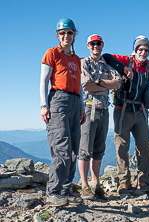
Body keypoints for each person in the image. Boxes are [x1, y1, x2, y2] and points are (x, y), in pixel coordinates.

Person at [103, 35, 149, 194]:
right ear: (135, 50)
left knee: (144, 147)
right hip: (123, 111)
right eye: (140, 49)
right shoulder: (126, 60)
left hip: (141, 112)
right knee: (122, 147)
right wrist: (123, 68)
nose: (144, 52)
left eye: (146, 50)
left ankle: (143, 181)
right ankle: (124, 182)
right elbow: (106, 56)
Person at [40, 18, 86, 207]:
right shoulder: (52, 53)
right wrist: (44, 105)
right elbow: (43, 80)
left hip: (75, 101)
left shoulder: (76, 59)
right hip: (58, 100)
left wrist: (82, 107)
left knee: (74, 148)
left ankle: (65, 190)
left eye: (69, 33)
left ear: (75, 35)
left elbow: (80, 87)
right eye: (62, 33)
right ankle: (53, 192)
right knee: (61, 147)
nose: (66, 36)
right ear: (58, 36)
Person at [78, 34, 127, 200]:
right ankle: (84, 185)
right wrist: (104, 83)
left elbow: (118, 83)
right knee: (85, 149)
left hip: (104, 110)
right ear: (87, 45)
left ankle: (95, 183)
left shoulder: (106, 64)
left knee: (99, 150)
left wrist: (98, 82)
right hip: (88, 109)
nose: (95, 46)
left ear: (102, 45)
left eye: (98, 44)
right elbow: (86, 85)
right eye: (92, 44)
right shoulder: (84, 62)